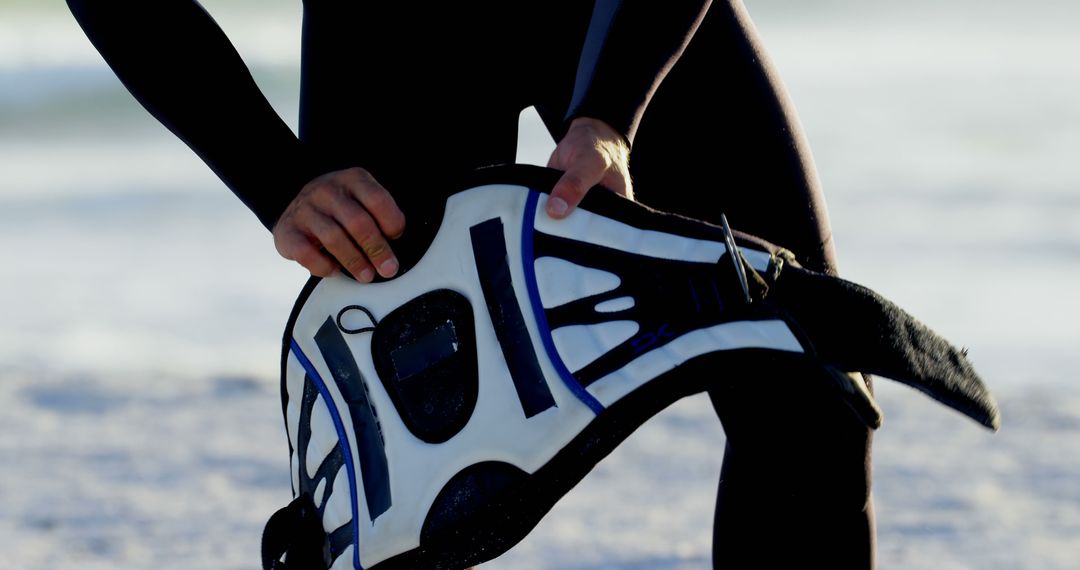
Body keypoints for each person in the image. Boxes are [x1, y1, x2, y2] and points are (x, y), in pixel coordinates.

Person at [67, 1, 875, 567]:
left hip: (611, 10)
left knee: (810, 392)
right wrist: (272, 175)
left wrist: (611, 113)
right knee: (394, 498)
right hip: (397, 32)